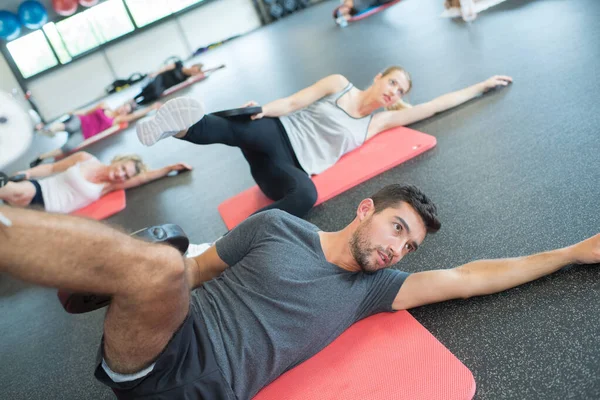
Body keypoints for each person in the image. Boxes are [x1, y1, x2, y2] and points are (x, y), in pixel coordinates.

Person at [0, 184, 597, 399]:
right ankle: (121, 277)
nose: (397, 249)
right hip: (170, 336)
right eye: (396, 228)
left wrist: (573, 252)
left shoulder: (375, 289)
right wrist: (142, 283)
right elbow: (200, 271)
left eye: (409, 247)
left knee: (153, 264)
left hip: (214, 389)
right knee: (161, 263)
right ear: (365, 210)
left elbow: (470, 277)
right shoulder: (277, 226)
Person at [136, 66, 513, 219]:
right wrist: (264, 108)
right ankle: (178, 127)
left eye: (400, 90)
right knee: (244, 122)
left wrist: (480, 87)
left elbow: (433, 106)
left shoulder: (380, 122)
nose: (393, 90)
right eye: (392, 81)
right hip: (279, 131)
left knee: (306, 197)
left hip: (288, 169)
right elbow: (295, 101)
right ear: (379, 77)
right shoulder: (338, 84)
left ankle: (248, 230)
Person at [0, 151, 191, 214]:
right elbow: (51, 168)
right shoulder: (85, 158)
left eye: (126, 176)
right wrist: (27, 172)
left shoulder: (109, 186)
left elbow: (144, 178)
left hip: (48, 211)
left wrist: (169, 168)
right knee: (20, 193)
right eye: (123, 168)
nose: (121, 175)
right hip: (39, 189)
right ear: (118, 160)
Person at [31, 101, 161, 167]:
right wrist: (75, 112)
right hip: (81, 121)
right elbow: (87, 112)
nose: (122, 110)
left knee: (69, 147)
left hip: (86, 134)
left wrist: (150, 108)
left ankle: (41, 157)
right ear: (121, 105)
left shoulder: (117, 120)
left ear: (125, 114)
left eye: (125, 111)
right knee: (69, 126)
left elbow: (135, 116)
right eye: (123, 107)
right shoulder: (104, 105)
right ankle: (49, 130)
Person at [132, 60, 209, 106]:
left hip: (164, 86)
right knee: (152, 88)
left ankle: (139, 104)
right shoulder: (179, 64)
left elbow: (201, 75)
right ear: (193, 66)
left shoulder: (187, 78)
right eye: (196, 69)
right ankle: (134, 99)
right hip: (160, 78)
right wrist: (156, 73)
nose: (195, 71)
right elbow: (166, 68)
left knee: (157, 94)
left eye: (197, 71)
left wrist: (201, 71)